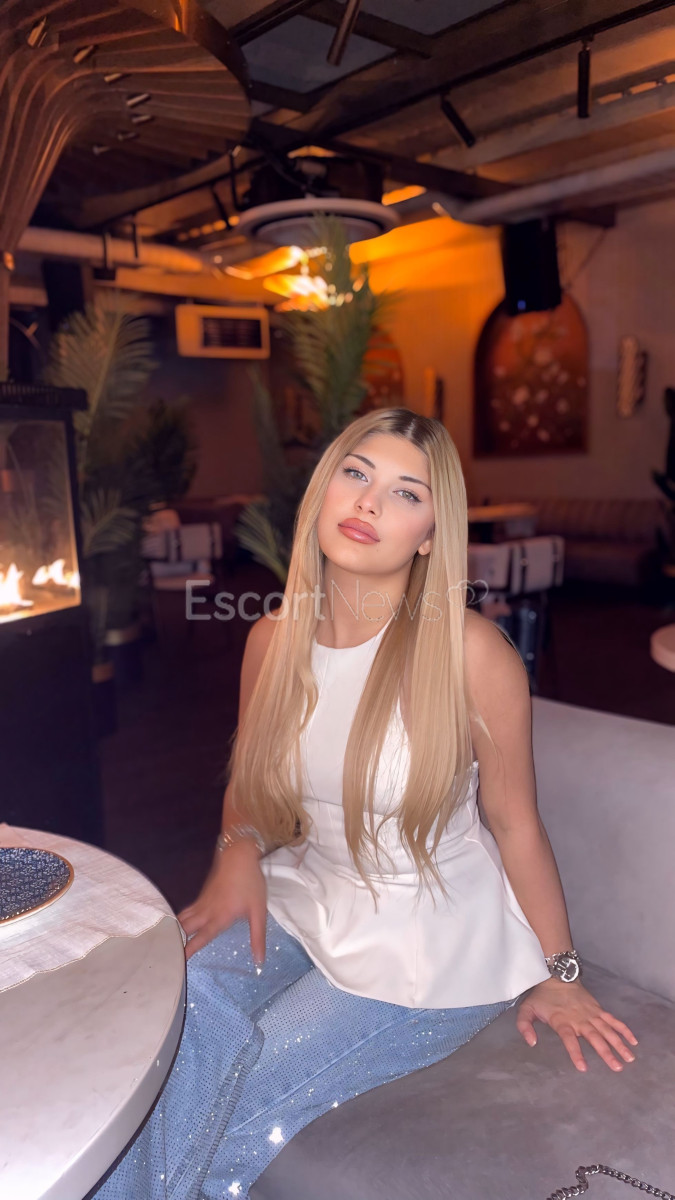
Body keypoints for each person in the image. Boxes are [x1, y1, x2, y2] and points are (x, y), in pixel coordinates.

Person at [92, 407, 638, 1200]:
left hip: (427, 940)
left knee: (238, 1094)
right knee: (183, 1006)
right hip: (306, 894)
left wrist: (561, 971)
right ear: (323, 490)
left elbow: (514, 822)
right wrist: (235, 855)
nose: (368, 501)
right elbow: (248, 784)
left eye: (405, 492)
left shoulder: (470, 651)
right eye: (355, 473)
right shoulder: (272, 638)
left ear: (429, 536)